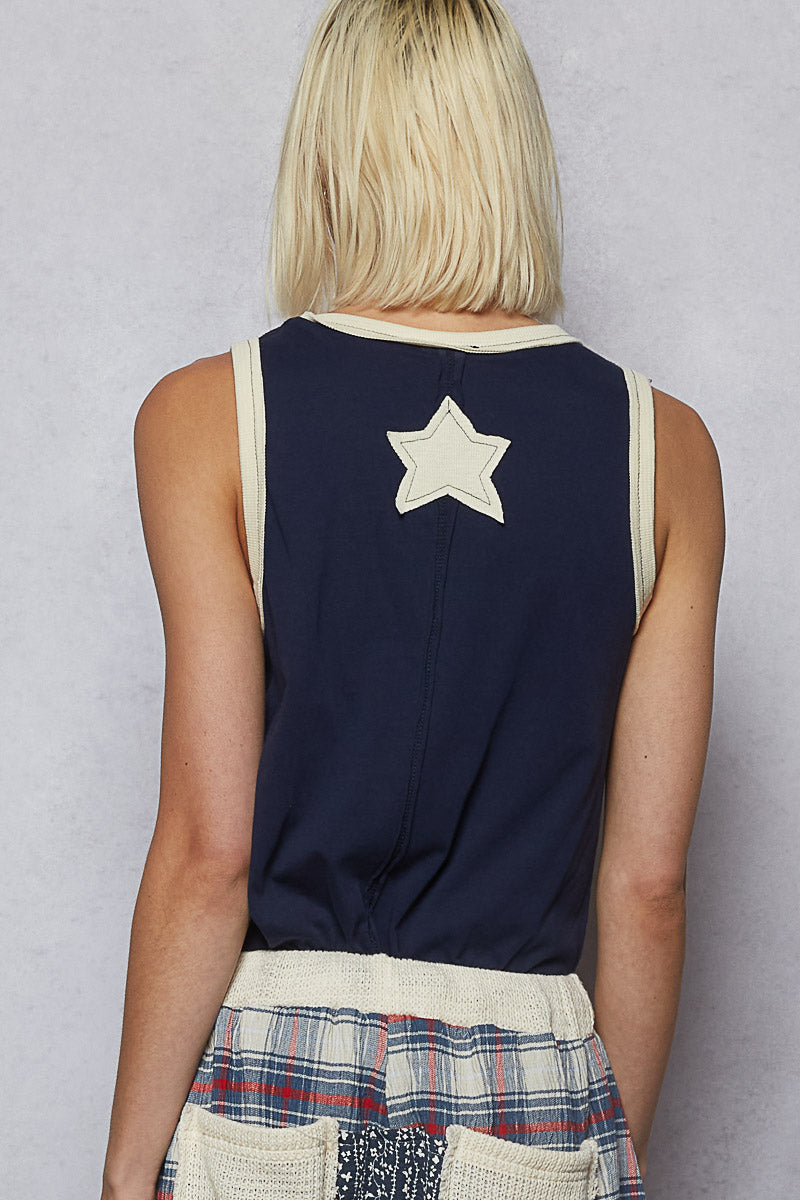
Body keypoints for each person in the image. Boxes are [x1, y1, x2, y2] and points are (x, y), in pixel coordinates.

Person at [100, 2, 725, 1198]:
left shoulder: (208, 417)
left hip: (277, 1067)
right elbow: (647, 886)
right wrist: (612, 1146)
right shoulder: (665, 451)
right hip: (532, 1076)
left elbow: (208, 851)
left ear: (330, 154)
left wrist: (127, 1173)